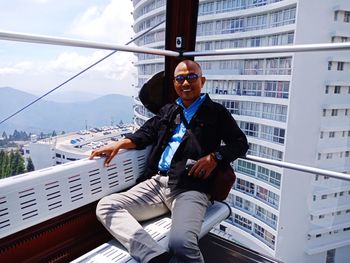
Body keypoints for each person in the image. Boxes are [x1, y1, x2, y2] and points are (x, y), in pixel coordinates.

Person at [89, 60, 248, 263]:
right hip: (156, 184)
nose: (185, 83)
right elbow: (145, 133)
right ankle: (155, 257)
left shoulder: (216, 112)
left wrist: (215, 157)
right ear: (174, 83)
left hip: (190, 187)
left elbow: (240, 143)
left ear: (202, 81)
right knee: (107, 206)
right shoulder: (169, 111)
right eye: (180, 78)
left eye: (191, 77)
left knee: (181, 243)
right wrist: (119, 144)